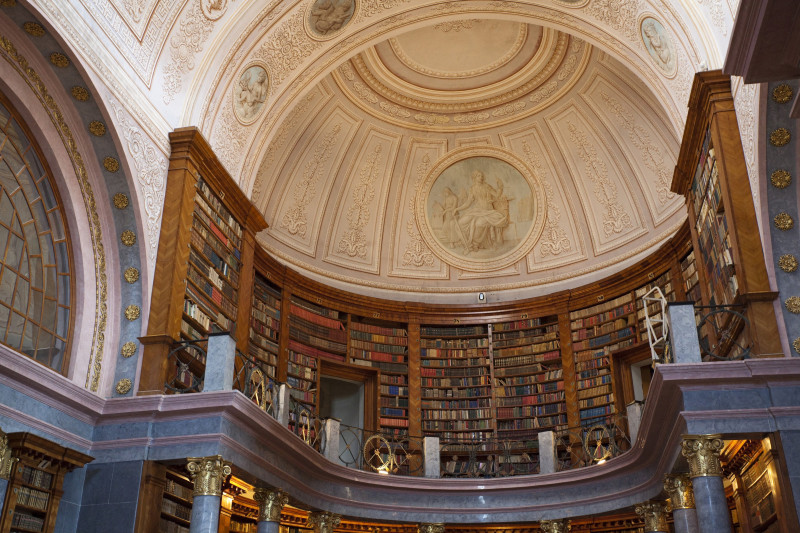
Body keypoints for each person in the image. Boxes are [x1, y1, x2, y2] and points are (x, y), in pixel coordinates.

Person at [453, 170, 508, 254]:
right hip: (476, 210)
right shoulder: (472, 188)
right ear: (474, 177)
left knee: (478, 224)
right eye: (479, 175)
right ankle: (467, 244)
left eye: (482, 176)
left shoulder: (487, 186)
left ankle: (475, 244)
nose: (481, 177)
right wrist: (457, 209)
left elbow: (497, 195)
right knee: (461, 223)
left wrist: (500, 187)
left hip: (487, 210)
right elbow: (468, 203)